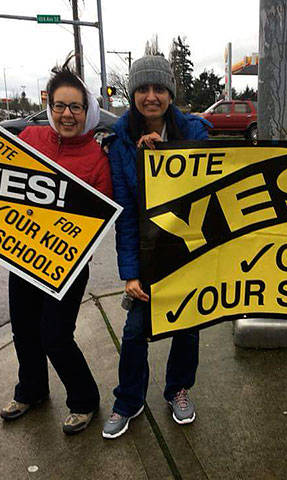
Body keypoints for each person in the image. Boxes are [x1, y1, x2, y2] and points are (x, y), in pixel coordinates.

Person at [0, 59, 112, 435]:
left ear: (86, 112)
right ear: (49, 106)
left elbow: (100, 217)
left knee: (55, 335)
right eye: (59, 106)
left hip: (67, 266)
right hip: (22, 260)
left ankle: (84, 399)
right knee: (23, 329)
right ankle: (32, 390)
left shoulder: (96, 159)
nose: (66, 114)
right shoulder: (31, 140)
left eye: (75, 107)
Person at [102, 56, 211, 439]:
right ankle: (128, 400)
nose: (151, 97)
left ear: (170, 94)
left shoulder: (195, 132)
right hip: (146, 258)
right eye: (143, 89)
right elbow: (126, 215)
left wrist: (165, 156)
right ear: (133, 94)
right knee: (134, 333)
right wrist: (130, 272)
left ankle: (178, 390)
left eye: (159, 89)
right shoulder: (118, 143)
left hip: (187, 250)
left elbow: (209, 196)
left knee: (187, 327)